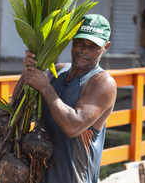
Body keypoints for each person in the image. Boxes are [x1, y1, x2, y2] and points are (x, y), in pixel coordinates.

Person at [12, 14, 116, 183]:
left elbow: (73, 126)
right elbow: (16, 106)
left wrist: (45, 87)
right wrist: (28, 70)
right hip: (37, 176)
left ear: (106, 47)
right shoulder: (57, 71)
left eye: (93, 46)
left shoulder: (102, 83)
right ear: (72, 40)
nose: (84, 50)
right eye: (80, 42)